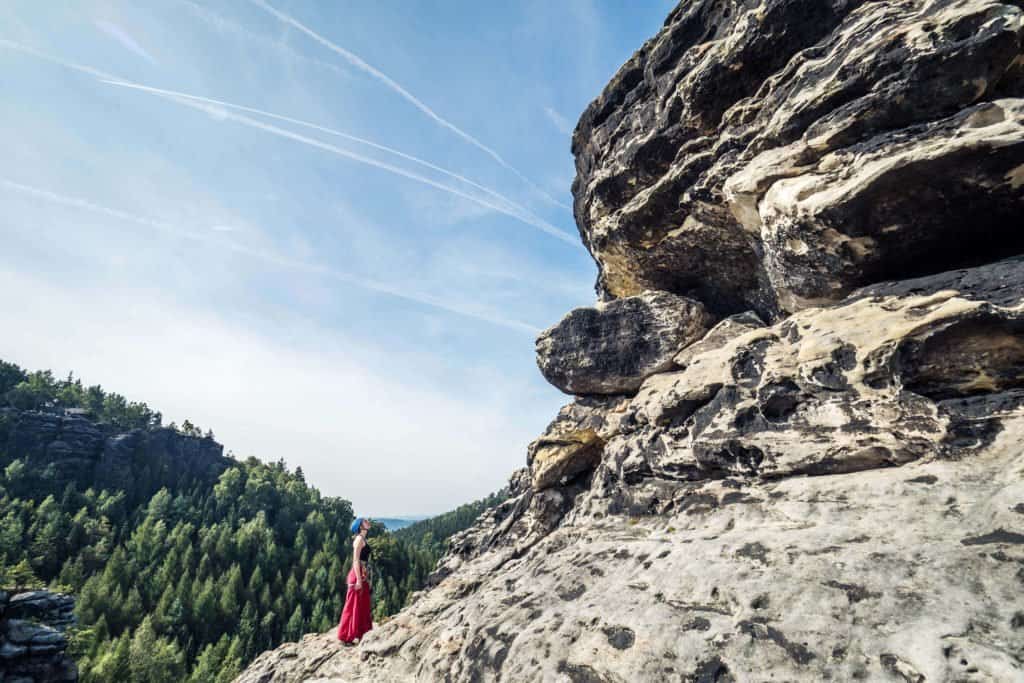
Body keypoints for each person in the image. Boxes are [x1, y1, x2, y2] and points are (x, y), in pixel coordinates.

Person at [337, 516, 373, 643]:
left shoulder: (362, 538)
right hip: (357, 575)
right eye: (364, 521)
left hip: (362, 575)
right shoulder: (359, 540)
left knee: (362, 605)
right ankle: (345, 636)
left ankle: (361, 633)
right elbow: (356, 561)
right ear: (360, 526)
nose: (367, 521)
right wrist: (358, 580)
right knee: (353, 605)